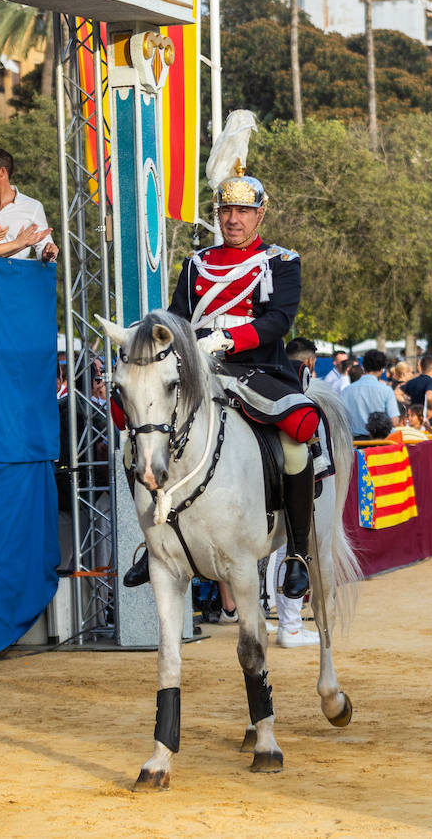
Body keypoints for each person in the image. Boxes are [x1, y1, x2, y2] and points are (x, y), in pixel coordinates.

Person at [122, 136, 319, 600]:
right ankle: (149, 543)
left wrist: (228, 338)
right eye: (226, 212)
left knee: (296, 438)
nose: (233, 220)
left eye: (243, 212)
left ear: (260, 215)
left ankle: (297, 552)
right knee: (139, 427)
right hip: (198, 373)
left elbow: (278, 321)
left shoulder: (280, 263)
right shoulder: (196, 264)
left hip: (258, 370)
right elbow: (175, 317)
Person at [0, 148, 59, 262]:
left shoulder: (33, 206)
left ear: (2, 172)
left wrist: (47, 251)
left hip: (13, 276)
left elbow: (42, 244)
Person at [342, 349, 399, 439]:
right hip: (381, 442)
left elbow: (341, 419)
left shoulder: (347, 390)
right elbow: (394, 421)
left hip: (356, 443)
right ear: (382, 369)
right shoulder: (386, 390)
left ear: (363, 367)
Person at [401, 355, 432, 421]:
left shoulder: (412, 381)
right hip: (429, 421)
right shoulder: (431, 381)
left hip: (416, 419)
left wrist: (407, 402)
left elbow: (396, 393)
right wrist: (431, 410)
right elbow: (429, 396)